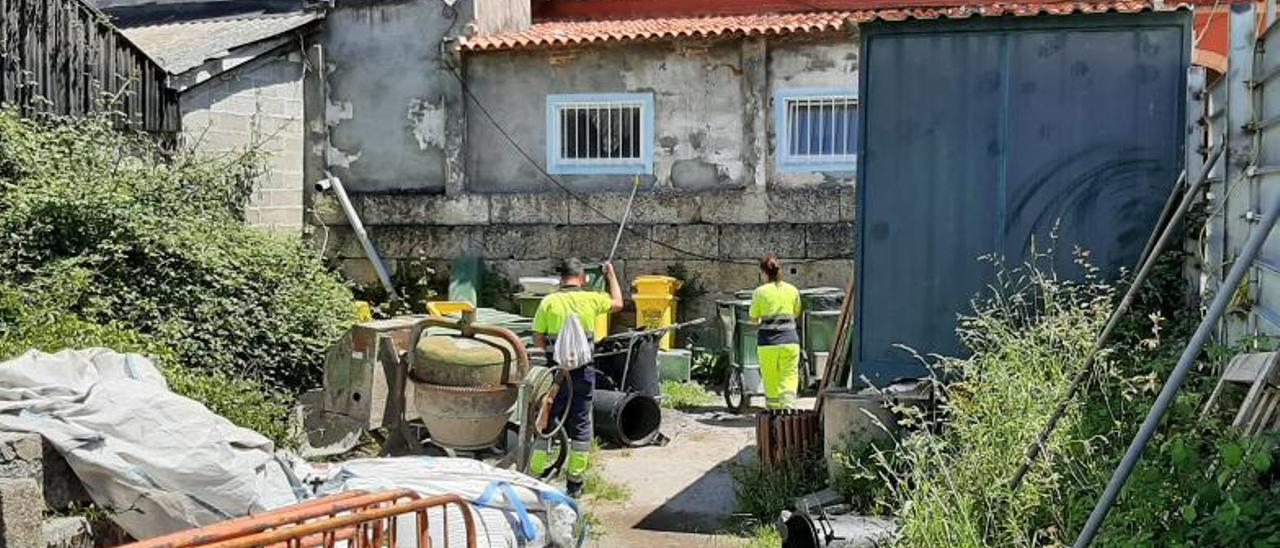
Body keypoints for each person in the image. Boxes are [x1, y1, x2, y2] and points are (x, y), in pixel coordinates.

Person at [529, 258, 624, 497]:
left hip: (555, 375)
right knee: (581, 424)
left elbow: (538, 339)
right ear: (582, 278)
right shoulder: (591, 299)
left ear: (561, 278)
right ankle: (575, 484)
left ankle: (534, 478)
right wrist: (611, 274)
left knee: (547, 421)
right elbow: (618, 303)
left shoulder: (548, 302)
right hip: (583, 373)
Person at [750, 254, 802, 410]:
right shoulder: (792, 290)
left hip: (767, 343)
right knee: (789, 375)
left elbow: (753, 317)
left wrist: (760, 320)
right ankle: (789, 410)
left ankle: (773, 412)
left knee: (770, 377)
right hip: (790, 341)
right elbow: (796, 312)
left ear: (764, 273)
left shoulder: (760, 292)